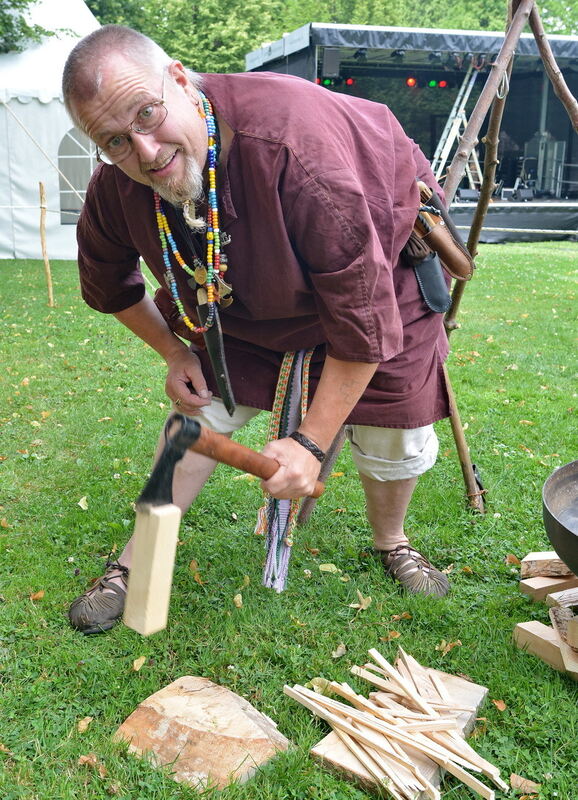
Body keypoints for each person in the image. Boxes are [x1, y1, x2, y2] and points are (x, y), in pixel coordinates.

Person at [62, 25, 453, 635]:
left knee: (393, 436)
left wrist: (312, 443)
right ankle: (133, 565)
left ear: (183, 81)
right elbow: (109, 286)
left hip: (379, 276)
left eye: (148, 114)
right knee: (198, 423)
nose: (145, 151)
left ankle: (391, 542)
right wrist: (171, 350)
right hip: (242, 306)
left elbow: (362, 317)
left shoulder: (295, 151)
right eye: (115, 140)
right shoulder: (118, 187)